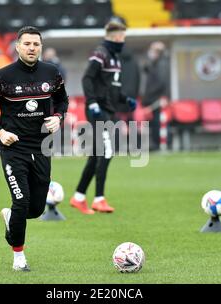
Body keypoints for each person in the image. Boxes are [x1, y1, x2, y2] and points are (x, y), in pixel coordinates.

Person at [0, 26, 68, 271]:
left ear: (41, 47)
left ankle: (11, 219)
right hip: (13, 148)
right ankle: (19, 258)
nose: (31, 48)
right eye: (26, 44)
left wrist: (58, 117)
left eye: (36, 44)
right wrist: (0, 132)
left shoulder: (52, 73)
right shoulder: (3, 76)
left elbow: (62, 100)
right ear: (17, 47)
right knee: (21, 199)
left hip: (41, 148)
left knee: (35, 209)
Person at [69, 19, 136, 215]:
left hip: (107, 109)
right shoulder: (100, 54)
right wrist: (92, 102)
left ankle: (79, 197)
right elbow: (87, 78)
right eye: (121, 37)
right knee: (107, 151)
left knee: (97, 154)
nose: (123, 41)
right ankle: (99, 199)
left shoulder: (115, 58)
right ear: (114, 37)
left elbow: (112, 87)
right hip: (97, 109)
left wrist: (125, 99)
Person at [142, 41, 170, 151]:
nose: (150, 52)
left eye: (152, 50)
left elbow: (160, 83)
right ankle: (157, 144)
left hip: (157, 99)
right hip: (153, 99)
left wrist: (149, 96)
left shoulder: (162, 64)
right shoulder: (154, 63)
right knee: (155, 123)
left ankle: (161, 145)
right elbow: (145, 69)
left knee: (159, 123)